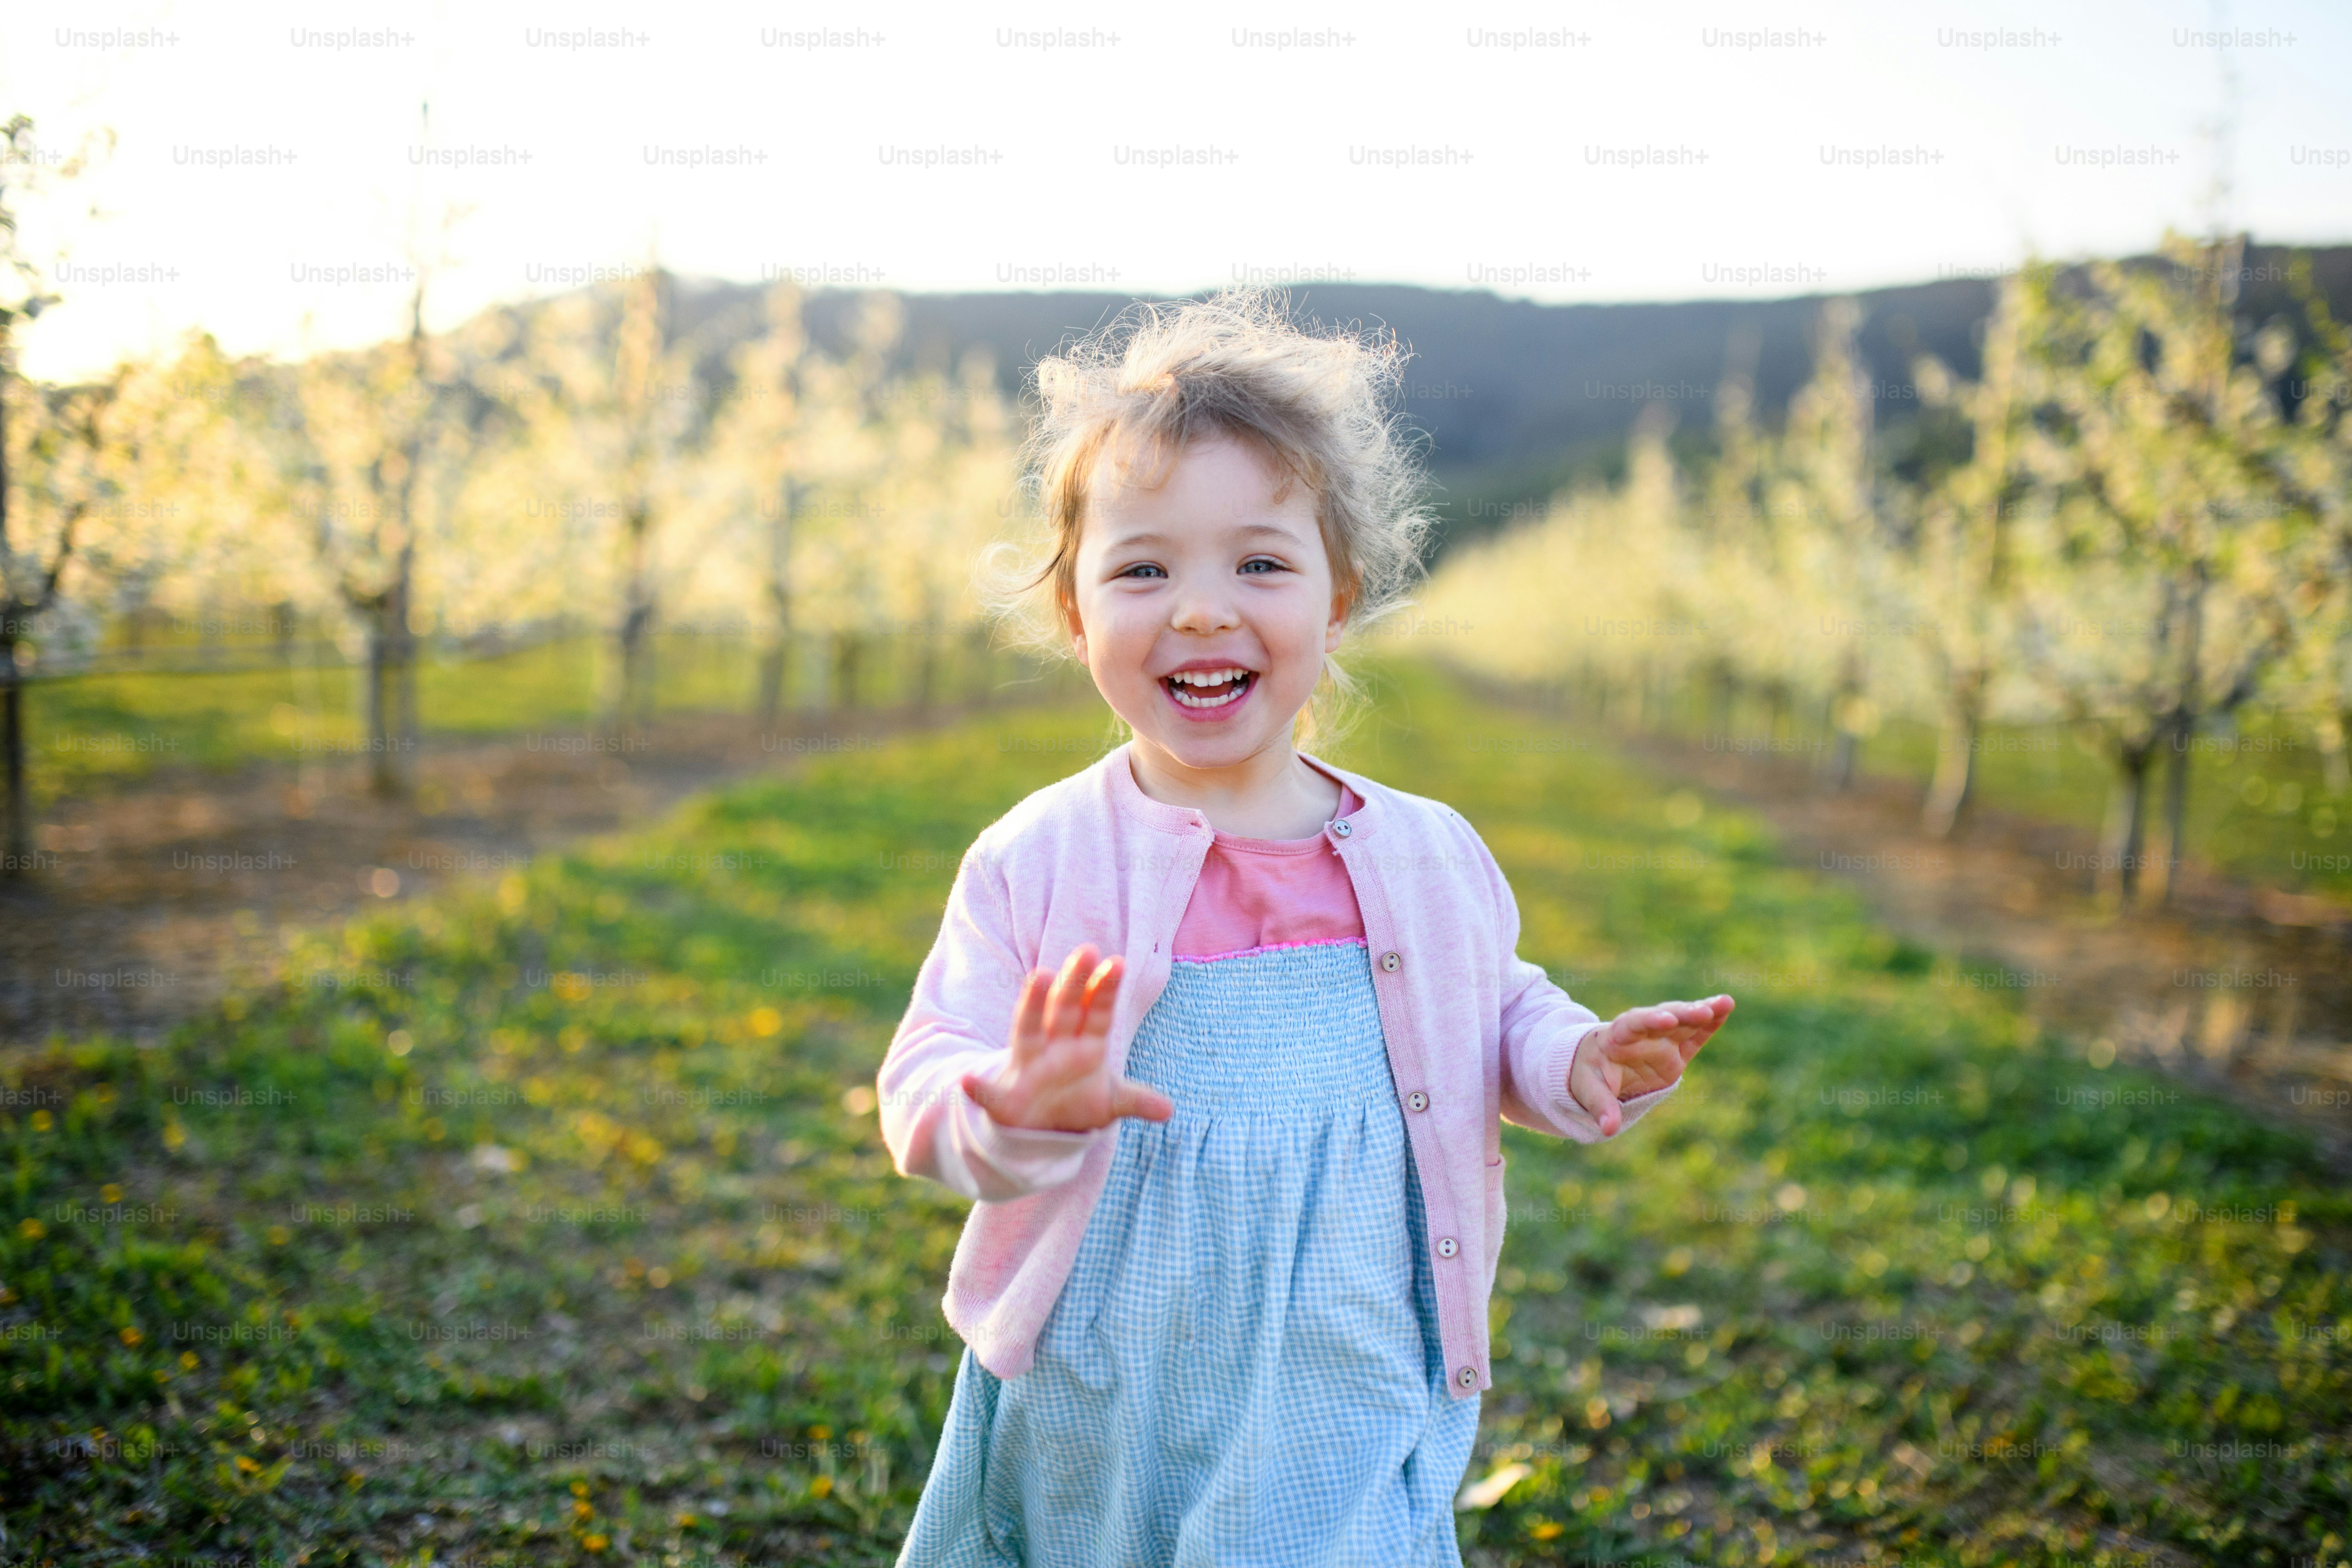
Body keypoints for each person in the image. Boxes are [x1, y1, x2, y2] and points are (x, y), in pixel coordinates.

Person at [878, 289, 1731, 1566]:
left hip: (1347, 1341)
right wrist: (1011, 1104)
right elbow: (925, 1074)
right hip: (1107, 1365)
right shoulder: (1037, 859)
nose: (1205, 609)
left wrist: (1567, 1060)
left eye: (1260, 563)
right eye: (1143, 567)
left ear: (1339, 599)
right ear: (1074, 616)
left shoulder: (1429, 852)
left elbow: (1493, 1001)